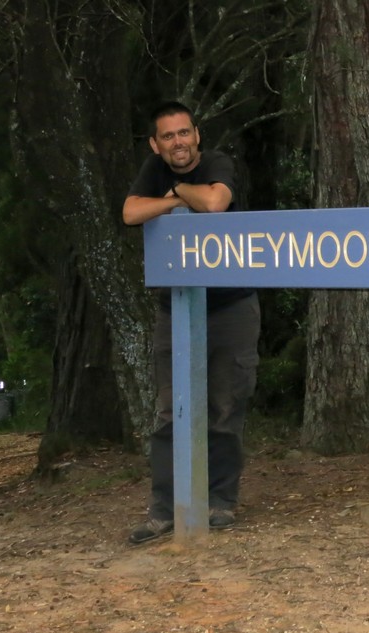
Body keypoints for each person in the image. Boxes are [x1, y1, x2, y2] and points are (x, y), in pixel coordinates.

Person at [122, 101, 260, 544]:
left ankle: (220, 502)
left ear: (196, 135)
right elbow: (129, 213)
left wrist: (176, 194)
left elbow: (217, 202)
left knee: (224, 407)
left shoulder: (218, 162)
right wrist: (172, 197)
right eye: (168, 136)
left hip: (230, 307)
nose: (177, 142)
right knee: (170, 412)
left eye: (184, 133)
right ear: (155, 144)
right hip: (175, 308)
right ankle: (166, 510)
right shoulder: (151, 168)